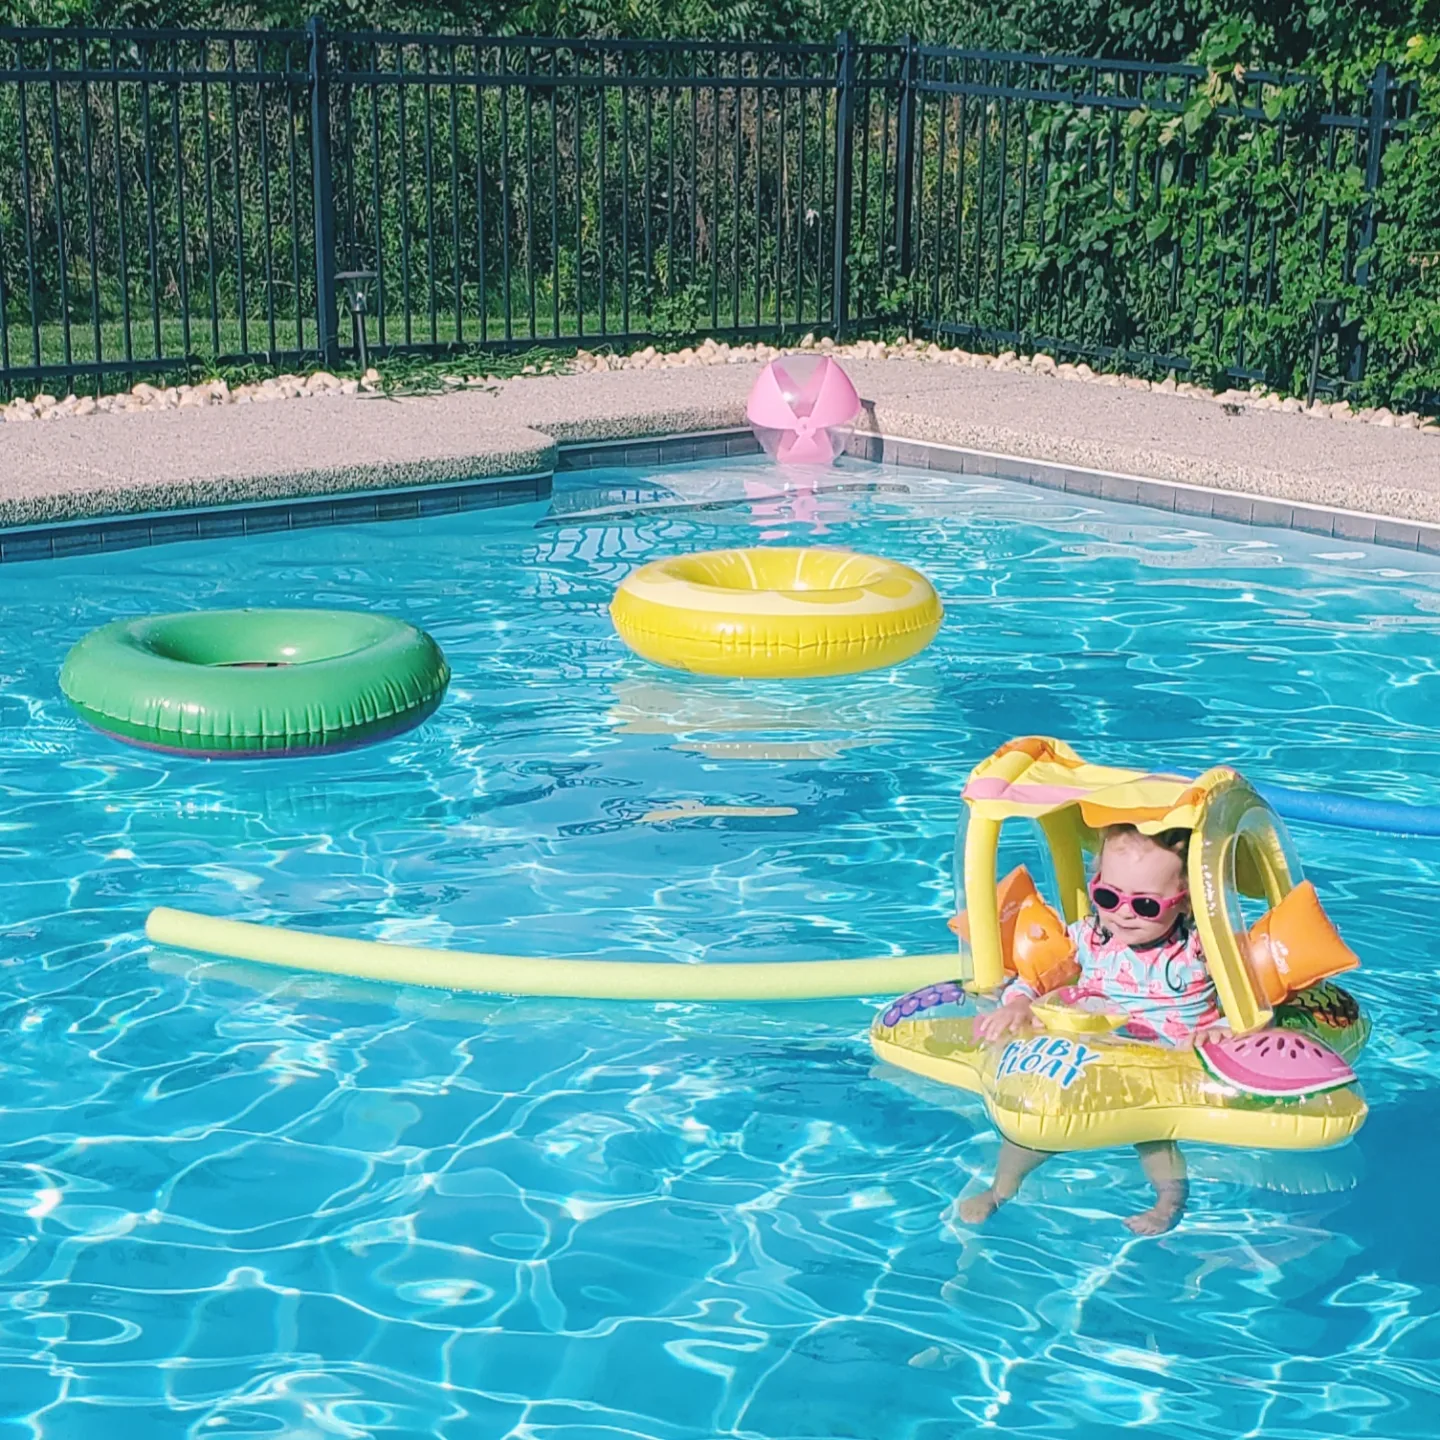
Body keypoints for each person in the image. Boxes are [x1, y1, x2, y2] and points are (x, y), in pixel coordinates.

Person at [958, 823, 1227, 1236]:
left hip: (1165, 1063)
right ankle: (1000, 1190)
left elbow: (1249, 996)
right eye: (1108, 896)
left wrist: (1223, 1027)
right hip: (1094, 1054)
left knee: (1153, 1135)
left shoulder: (1200, 948)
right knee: (1036, 1123)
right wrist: (1019, 1001)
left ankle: (1168, 1201)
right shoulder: (1089, 937)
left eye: (1147, 906)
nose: (1122, 913)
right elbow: (1042, 974)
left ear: (1186, 901)